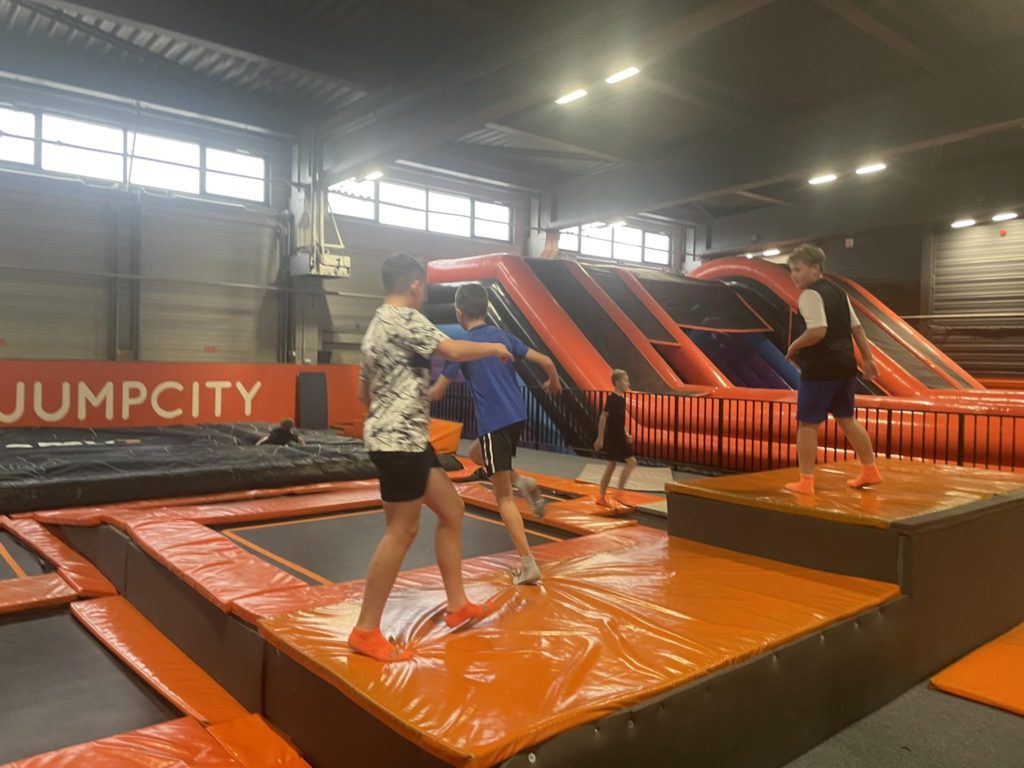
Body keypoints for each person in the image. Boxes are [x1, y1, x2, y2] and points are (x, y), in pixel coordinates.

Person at [349, 254, 514, 662]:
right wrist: (495, 346)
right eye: (423, 287)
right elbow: (452, 348)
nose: (423, 294)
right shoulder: (405, 317)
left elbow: (363, 393)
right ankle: (365, 629)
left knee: (452, 509)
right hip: (400, 442)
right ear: (415, 285)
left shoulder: (375, 326)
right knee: (402, 530)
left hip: (404, 438)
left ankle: (457, 605)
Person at [429, 283, 561, 585]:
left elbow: (438, 391)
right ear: (485, 309)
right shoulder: (504, 337)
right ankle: (523, 481)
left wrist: (416, 395)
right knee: (476, 454)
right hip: (517, 417)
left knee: (504, 498)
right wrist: (553, 381)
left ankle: (528, 564)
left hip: (494, 422)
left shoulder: (462, 347)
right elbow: (547, 361)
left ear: (459, 312)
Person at [784, 243, 882, 495]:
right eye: (791, 270)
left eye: (798, 269)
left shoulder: (809, 295)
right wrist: (868, 359)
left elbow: (818, 331)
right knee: (847, 419)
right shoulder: (839, 293)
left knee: (807, 424)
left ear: (815, 269)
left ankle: (806, 481)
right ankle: (870, 469)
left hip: (820, 368)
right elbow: (857, 328)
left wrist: (793, 346)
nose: (793, 275)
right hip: (845, 365)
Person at [593, 369, 638, 507]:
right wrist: (600, 438)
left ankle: (616, 492)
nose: (628, 383)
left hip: (619, 435)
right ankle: (607, 495)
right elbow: (603, 417)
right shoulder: (612, 399)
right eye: (626, 380)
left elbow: (619, 420)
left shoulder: (621, 399)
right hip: (612, 436)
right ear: (618, 383)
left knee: (624, 463)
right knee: (618, 464)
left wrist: (626, 433)